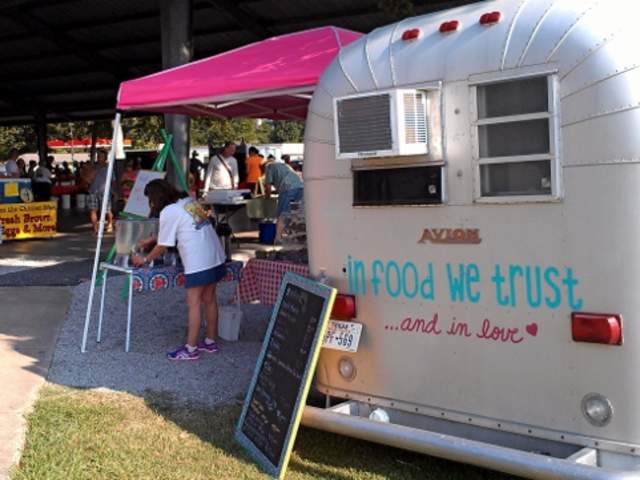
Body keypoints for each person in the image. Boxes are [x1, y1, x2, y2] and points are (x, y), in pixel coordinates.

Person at [132, 179, 226, 361]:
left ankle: (190, 349)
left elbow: (164, 246)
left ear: (155, 198)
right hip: (215, 255)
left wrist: (145, 259)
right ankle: (210, 341)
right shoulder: (187, 201)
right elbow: (186, 226)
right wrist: (152, 239)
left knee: (194, 303)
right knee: (210, 299)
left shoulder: (168, 211)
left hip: (198, 260)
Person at [264, 159, 304, 242]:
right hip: (300, 187)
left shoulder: (268, 167)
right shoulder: (285, 165)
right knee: (295, 213)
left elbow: (268, 187)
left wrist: (267, 199)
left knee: (282, 214)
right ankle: (295, 236)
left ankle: (278, 238)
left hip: (287, 188)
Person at [87, 150, 114, 234]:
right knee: (93, 210)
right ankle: (95, 229)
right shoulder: (93, 167)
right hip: (93, 191)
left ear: (105, 158)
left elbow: (113, 181)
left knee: (107, 210)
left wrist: (114, 191)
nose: (98, 158)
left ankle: (110, 224)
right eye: (98, 156)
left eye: (100, 156)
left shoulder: (109, 168)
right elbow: (88, 179)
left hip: (105, 192)